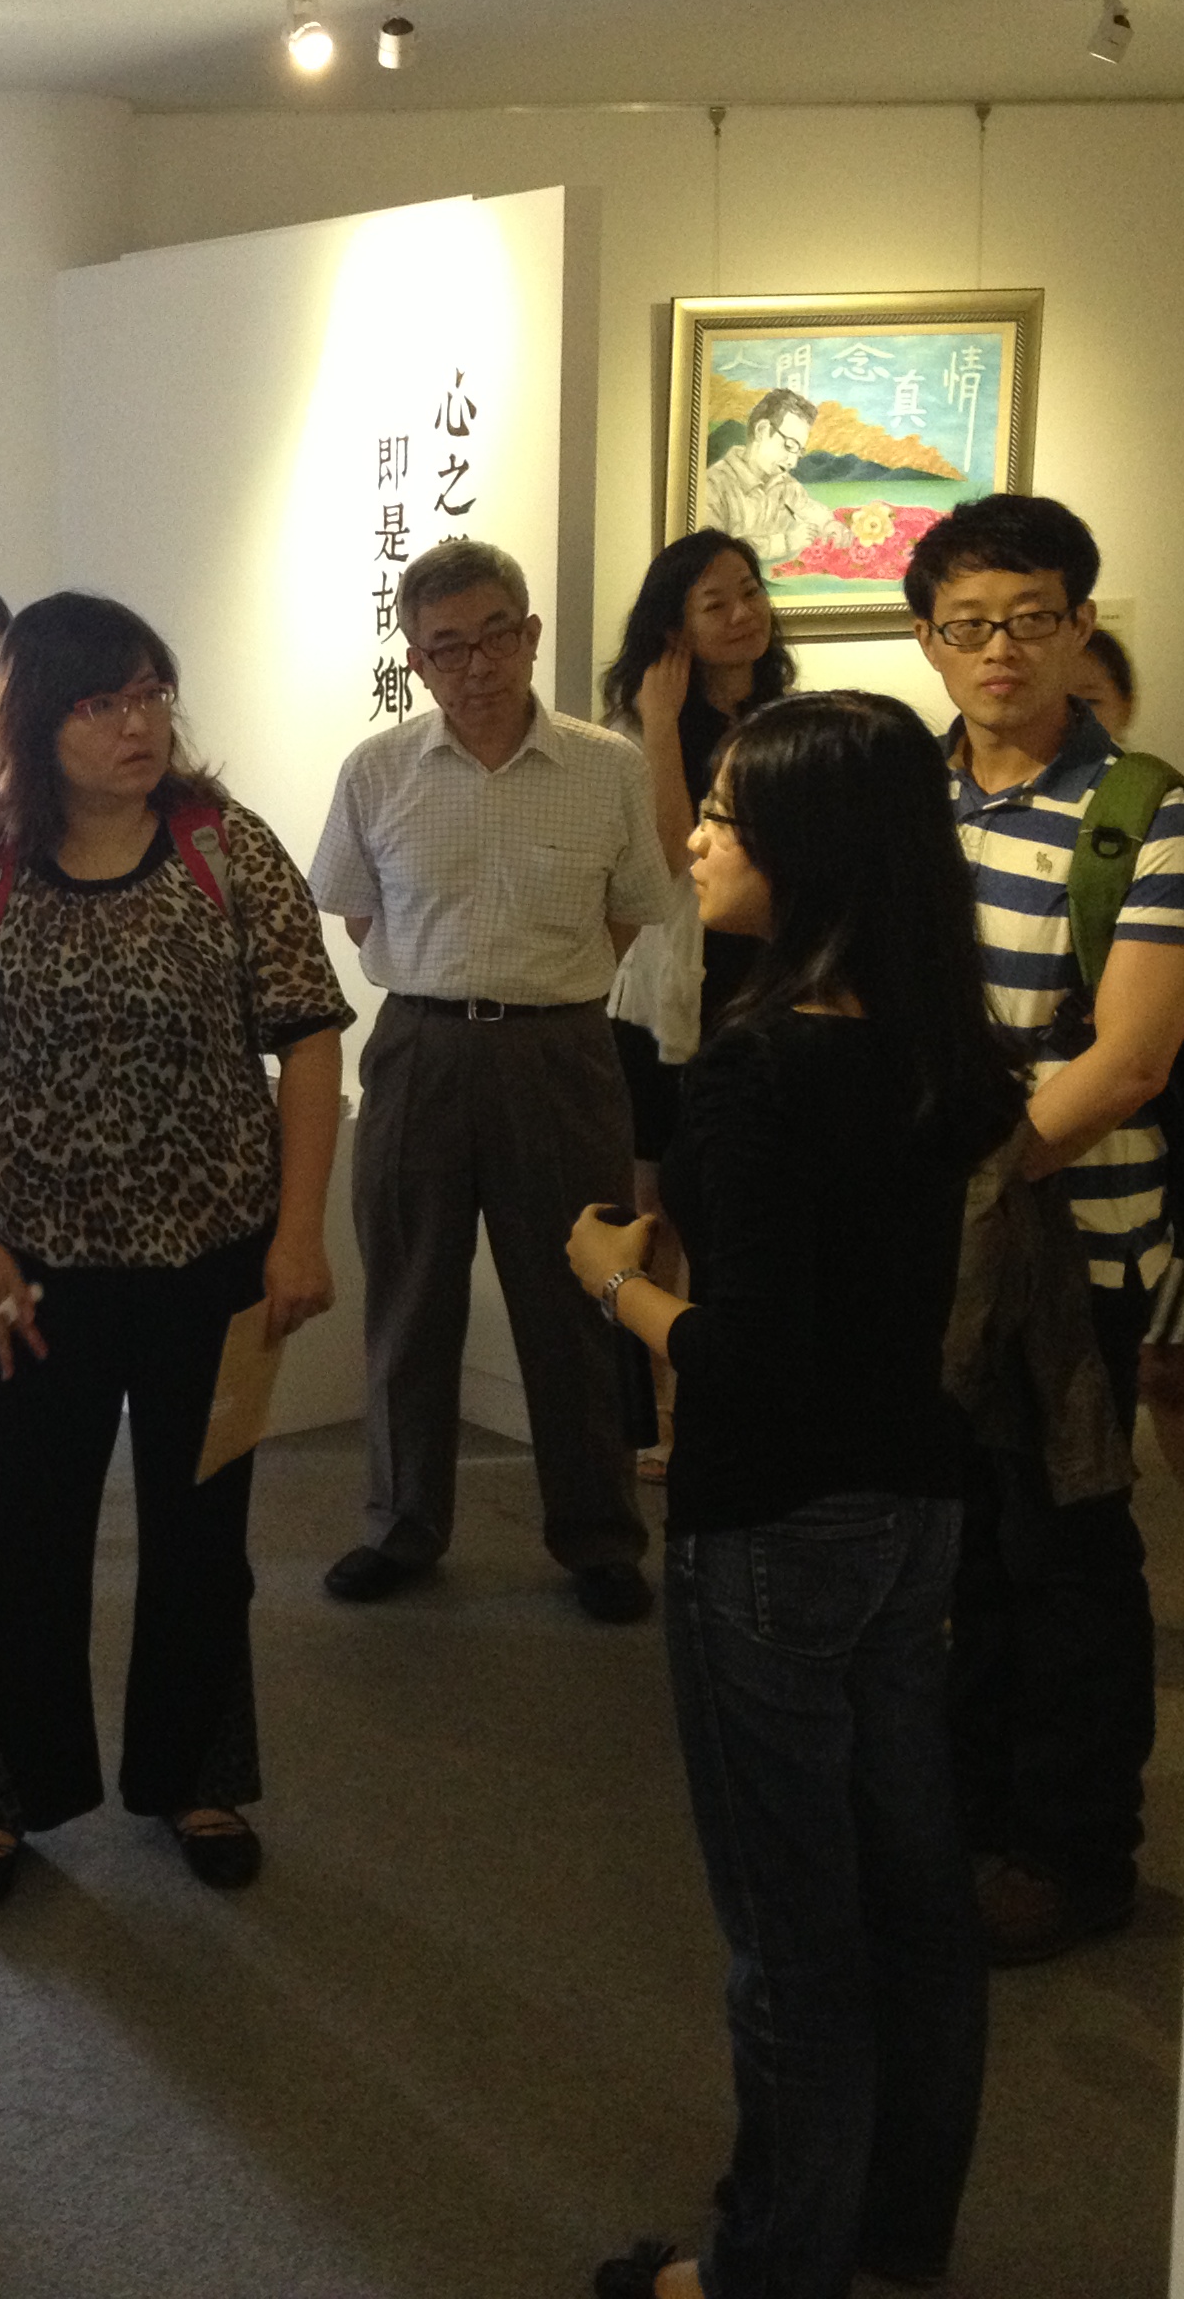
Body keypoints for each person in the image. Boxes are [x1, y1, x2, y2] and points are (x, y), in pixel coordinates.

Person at [571, 690, 1022, 2299]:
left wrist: (611, 1279)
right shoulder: (940, 1039)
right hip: (913, 1501)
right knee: (913, 1895)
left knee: (792, 1931)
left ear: (811, 851)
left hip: (773, 1523)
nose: (695, 838)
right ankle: (894, 2235)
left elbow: (749, 1359)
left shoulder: (762, 1069)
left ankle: (765, 2269)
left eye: (726, 816)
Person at [0, 592, 351, 1913]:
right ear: (37, 719)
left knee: (202, 1535)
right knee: (26, 1543)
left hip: (215, 1260)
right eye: (101, 702)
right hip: (43, 1274)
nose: (136, 724)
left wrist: (299, 1232)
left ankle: (194, 1778)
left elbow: (309, 1036)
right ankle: (1, 1798)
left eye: (150, 694)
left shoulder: (223, 846)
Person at [912, 494, 1184, 1966]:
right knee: (962, 1547)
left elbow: (1132, 1061)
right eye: (968, 625)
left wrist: (972, 1176)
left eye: (1031, 619)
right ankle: (973, 1821)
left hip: (1074, 1248)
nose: (1000, 651)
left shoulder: (1146, 814)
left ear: (1080, 624)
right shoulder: (908, 800)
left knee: (1070, 1553)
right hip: (935, 1241)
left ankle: (1075, 1856)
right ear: (927, 638)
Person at [309, 537, 676, 1620]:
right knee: (408, 1299)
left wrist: (542, 994)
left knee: (576, 1298)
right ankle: (401, 1525)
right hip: (418, 1048)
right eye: (447, 647)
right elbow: (357, 914)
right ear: (416, 661)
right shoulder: (376, 769)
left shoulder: (607, 767)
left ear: (531, 635)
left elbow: (627, 912)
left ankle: (599, 1536)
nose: (475, 665)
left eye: (495, 637)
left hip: (562, 1052)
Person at [1067, 631, 1184, 1651]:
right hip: (1044, 1174)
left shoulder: (1150, 822)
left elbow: (1157, 1045)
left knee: (1171, 1363)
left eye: (1092, 697)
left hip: (1151, 1163)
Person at [601, 532, 798, 1371]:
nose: (742, 614)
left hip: (766, 974)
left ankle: (730, 1381)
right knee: (657, 1203)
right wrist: (657, 720)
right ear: (673, 628)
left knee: (744, 1191)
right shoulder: (629, 728)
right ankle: (657, 1404)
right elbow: (668, 851)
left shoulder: (788, 719)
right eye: (714, 603)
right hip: (665, 986)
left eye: (749, 591)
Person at [700, 388, 835, 565]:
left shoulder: (785, 485)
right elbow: (716, 551)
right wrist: (785, 543)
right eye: (789, 446)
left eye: (799, 452)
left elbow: (808, 507)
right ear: (762, 430)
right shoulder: (713, 485)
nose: (793, 462)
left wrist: (829, 524)